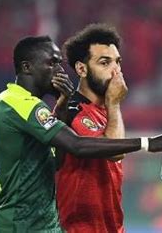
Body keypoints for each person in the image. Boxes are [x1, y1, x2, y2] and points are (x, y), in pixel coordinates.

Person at [0, 35, 162, 232]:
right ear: (27, 67)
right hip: (19, 225)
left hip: (47, 226)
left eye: (59, 63)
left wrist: (61, 105)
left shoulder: (34, 108)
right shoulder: (16, 102)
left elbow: (58, 161)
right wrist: (148, 143)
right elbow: (77, 145)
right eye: (51, 63)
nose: (59, 70)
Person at [54, 23, 127, 232]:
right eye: (105, 63)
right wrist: (114, 103)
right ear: (81, 69)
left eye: (118, 62)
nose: (116, 71)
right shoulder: (71, 109)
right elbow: (115, 151)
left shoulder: (108, 112)